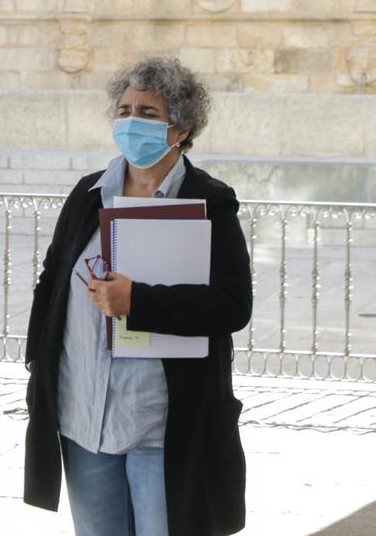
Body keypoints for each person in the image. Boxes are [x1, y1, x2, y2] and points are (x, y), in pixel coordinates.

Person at [22, 57, 252, 536]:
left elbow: (232, 304)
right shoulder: (88, 194)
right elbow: (52, 281)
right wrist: (38, 364)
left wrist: (138, 302)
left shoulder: (209, 201)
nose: (131, 121)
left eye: (147, 113)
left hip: (162, 426)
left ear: (181, 128)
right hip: (85, 421)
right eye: (124, 109)